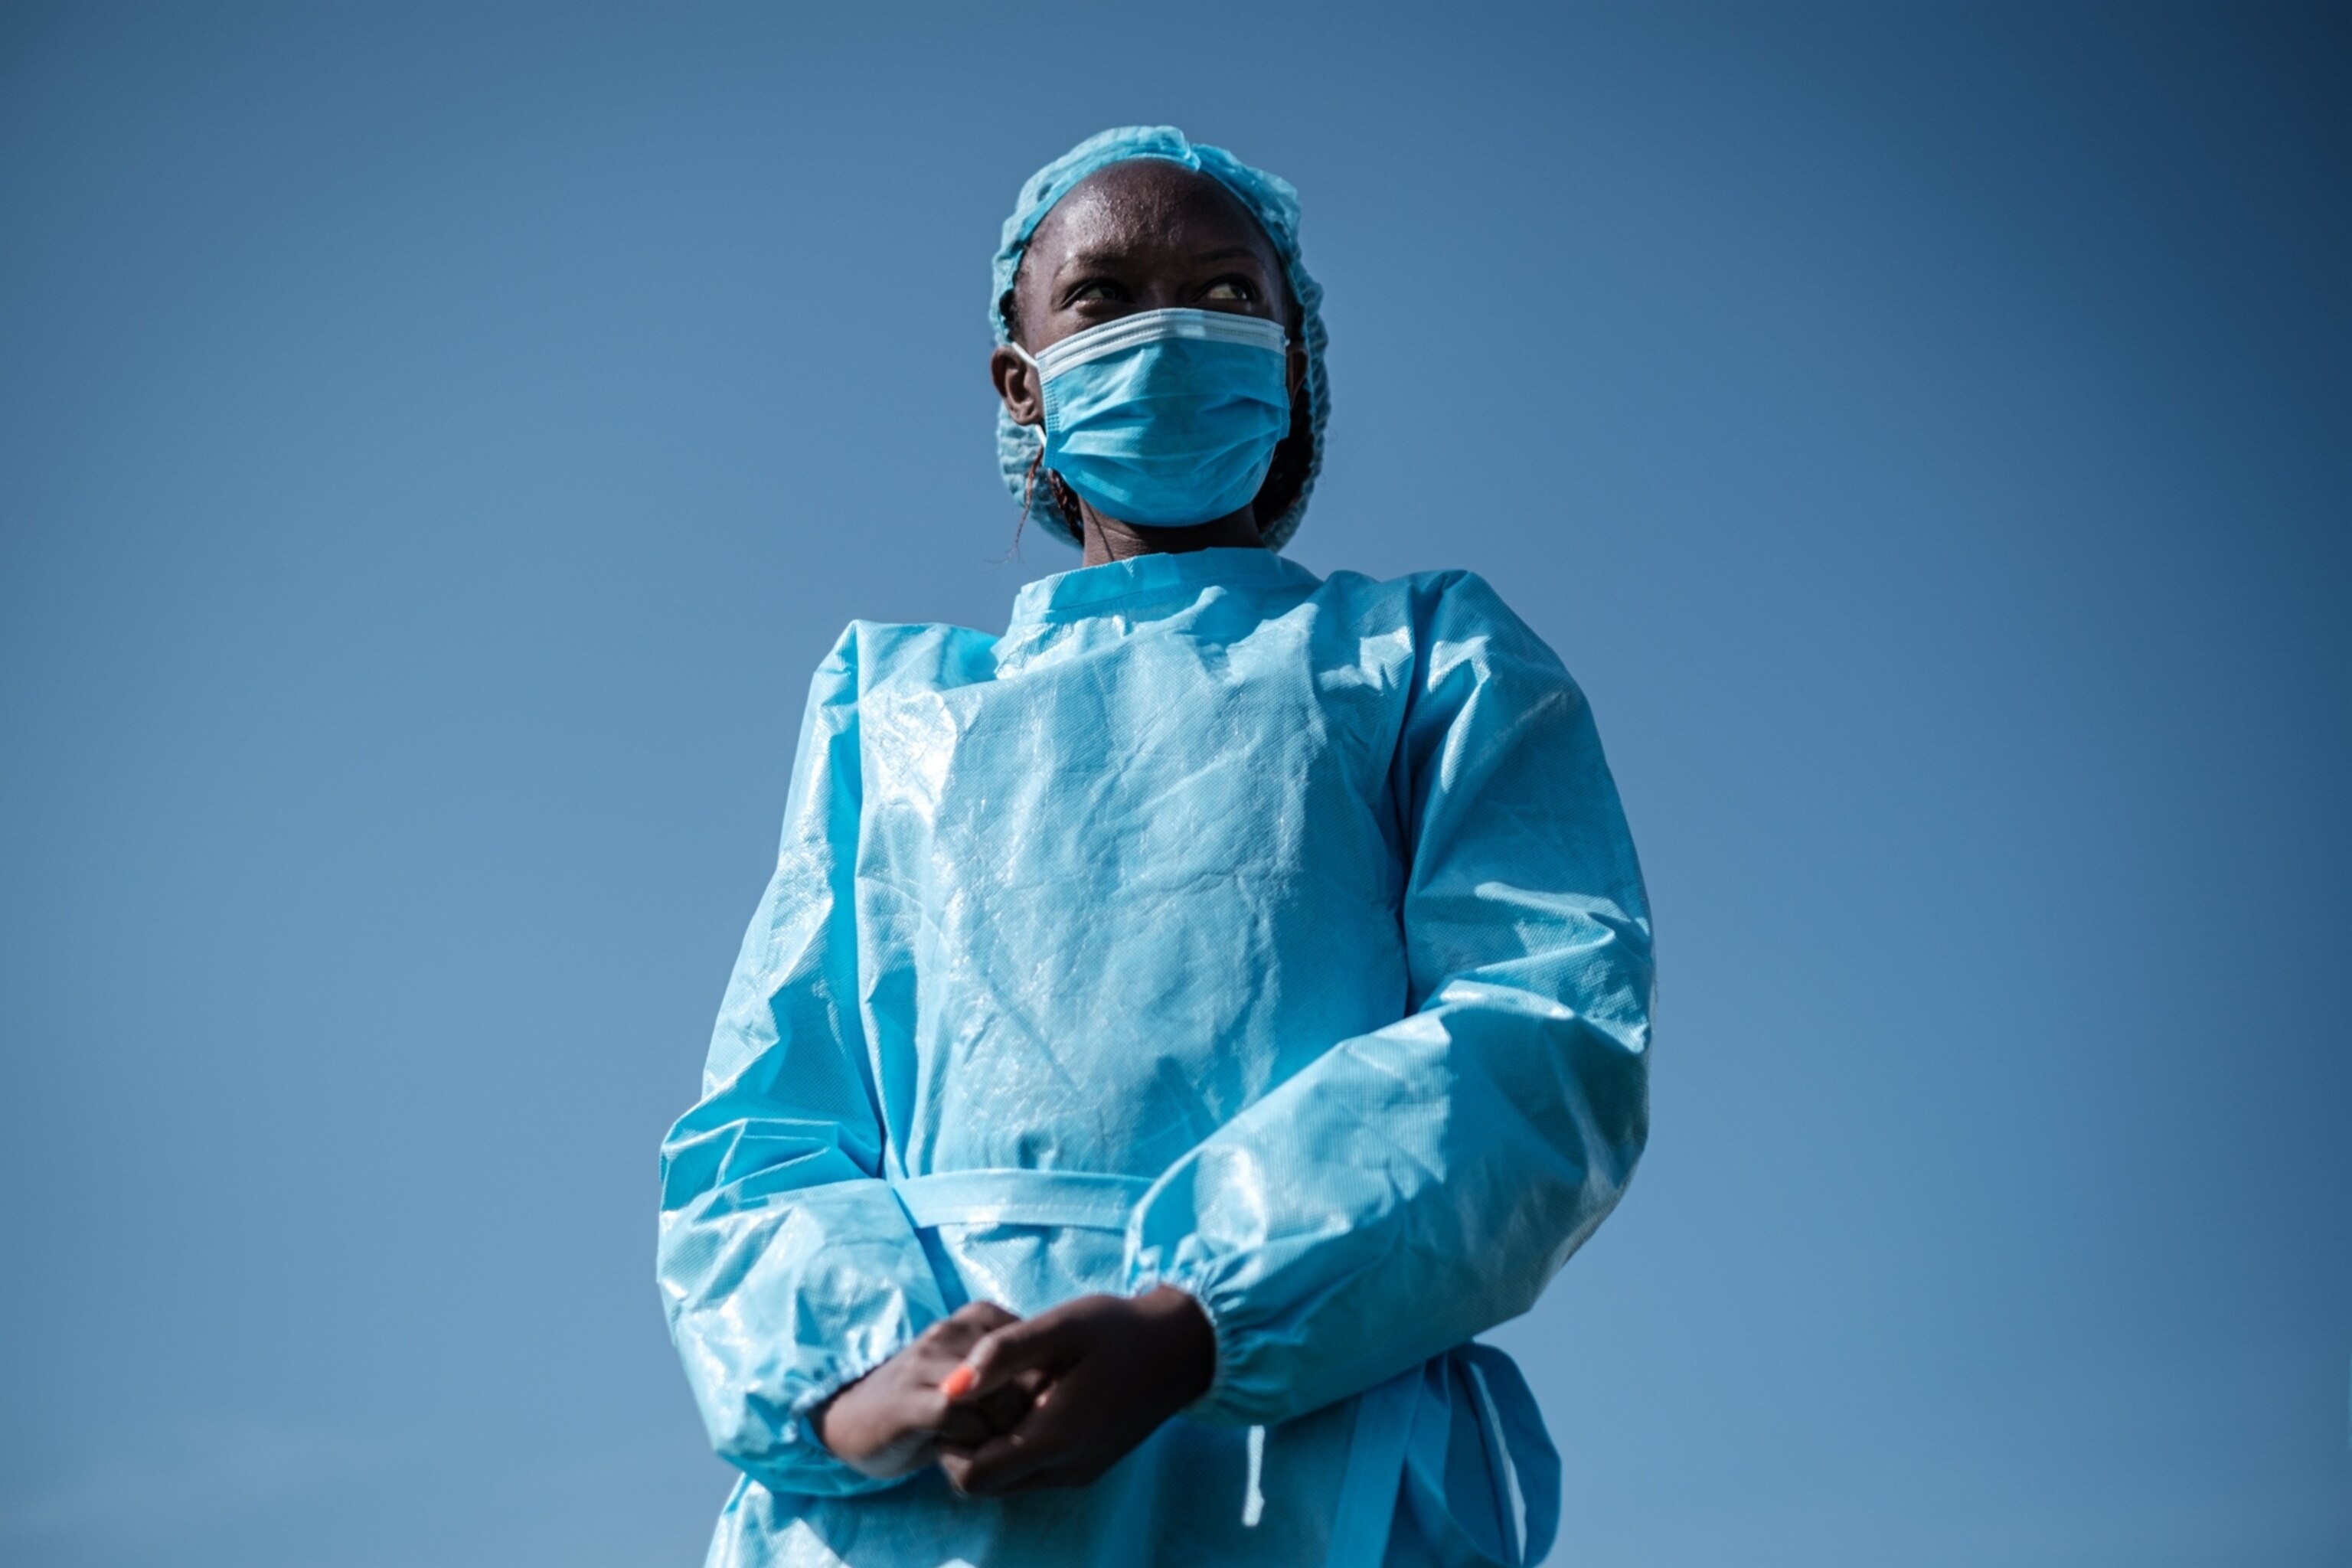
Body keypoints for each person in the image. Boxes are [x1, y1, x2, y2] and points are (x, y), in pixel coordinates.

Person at [656, 126, 1653, 1568]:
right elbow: (765, 1127)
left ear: (1294, 361)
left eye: (1229, 294)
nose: (1170, 332)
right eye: (1104, 299)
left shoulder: (1427, 657)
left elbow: (1548, 1037)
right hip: (926, 1501)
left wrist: (1200, 1320)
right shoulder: (889, 710)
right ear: (1022, 381)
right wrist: (852, 1383)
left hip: (1312, 1467)